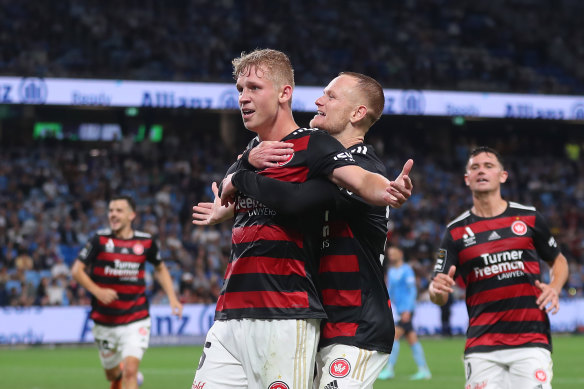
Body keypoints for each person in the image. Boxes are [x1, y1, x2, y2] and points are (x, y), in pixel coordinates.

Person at [191, 50, 412, 389]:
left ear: (357, 112)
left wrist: (387, 190)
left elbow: (305, 198)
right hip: (299, 313)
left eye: (331, 95)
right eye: (240, 89)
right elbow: (238, 182)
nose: (319, 100)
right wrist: (239, 175)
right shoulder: (272, 150)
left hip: (352, 322)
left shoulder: (344, 157)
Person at [429, 147, 569, 389]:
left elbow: (558, 260)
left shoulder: (529, 218)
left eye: (488, 166)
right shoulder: (454, 232)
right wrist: (437, 290)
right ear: (467, 179)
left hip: (531, 339)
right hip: (482, 345)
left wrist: (555, 287)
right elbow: (437, 292)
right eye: (475, 167)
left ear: (503, 175)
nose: (481, 170)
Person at [71, 195, 183, 389]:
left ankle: (128, 377)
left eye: (119, 210)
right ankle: (118, 378)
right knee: (112, 374)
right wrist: (97, 291)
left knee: (130, 371)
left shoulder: (146, 242)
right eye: (111, 210)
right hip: (104, 321)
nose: (113, 214)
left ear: (131, 215)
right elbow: (76, 270)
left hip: (136, 316)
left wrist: (173, 298)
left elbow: (160, 268)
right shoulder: (99, 240)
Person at [378, 246, 431, 380]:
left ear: (400, 254)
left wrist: (408, 309)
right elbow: (390, 290)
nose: (391, 256)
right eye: (389, 254)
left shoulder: (407, 270)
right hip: (398, 310)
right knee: (412, 340)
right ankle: (424, 370)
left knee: (394, 337)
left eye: (393, 253)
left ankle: (389, 369)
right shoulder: (391, 271)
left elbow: (412, 291)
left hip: (407, 310)